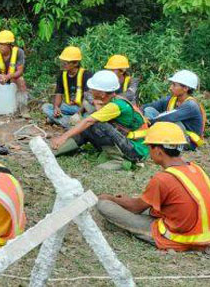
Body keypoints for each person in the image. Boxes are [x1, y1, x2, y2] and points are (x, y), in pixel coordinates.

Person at [97, 122, 210, 251]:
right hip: (203, 233)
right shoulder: (195, 168)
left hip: (179, 238)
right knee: (144, 204)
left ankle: (125, 228)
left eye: (149, 147)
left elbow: (136, 208)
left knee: (104, 205)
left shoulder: (163, 179)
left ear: (158, 150)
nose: (149, 151)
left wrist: (112, 198)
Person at [50, 70, 149, 170]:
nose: (90, 90)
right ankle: (57, 151)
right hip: (126, 142)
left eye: (93, 89)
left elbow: (89, 121)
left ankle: (119, 160)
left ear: (102, 93)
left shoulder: (116, 105)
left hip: (135, 151)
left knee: (95, 123)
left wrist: (63, 137)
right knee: (88, 125)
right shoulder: (112, 99)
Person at [142, 70, 206, 150]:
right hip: (172, 133)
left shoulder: (191, 105)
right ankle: (156, 138)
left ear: (185, 88)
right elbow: (149, 106)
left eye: (174, 85)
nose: (170, 87)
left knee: (173, 122)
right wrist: (138, 111)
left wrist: (147, 121)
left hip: (187, 141)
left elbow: (168, 118)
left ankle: (154, 139)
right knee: (149, 110)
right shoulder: (171, 99)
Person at [42, 46, 92, 128]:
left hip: (83, 109)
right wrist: (56, 108)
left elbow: (88, 99)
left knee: (88, 116)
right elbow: (59, 93)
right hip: (68, 107)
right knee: (46, 107)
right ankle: (70, 123)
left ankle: (64, 121)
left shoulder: (86, 75)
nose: (63, 65)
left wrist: (78, 113)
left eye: (66, 63)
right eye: (62, 62)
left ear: (75, 63)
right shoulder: (62, 74)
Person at [0, 30, 28, 115]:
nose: (0, 47)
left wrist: (9, 76)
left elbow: (20, 71)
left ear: (9, 45)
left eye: (3, 44)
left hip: (12, 77)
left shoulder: (19, 52)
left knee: (21, 81)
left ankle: (23, 108)